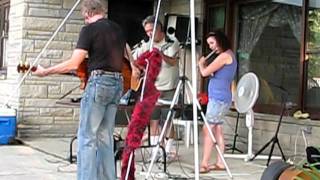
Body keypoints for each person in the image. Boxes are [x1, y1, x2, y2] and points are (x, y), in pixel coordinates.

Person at [32, 0, 133, 179]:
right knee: (105, 137)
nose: (84, 21)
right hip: (117, 84)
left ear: (87, 14)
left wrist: (45, 72)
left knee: (87, 138)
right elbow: (128, 55)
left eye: (84, 18)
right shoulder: (118, 29)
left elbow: (74, 63)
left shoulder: (89, 29)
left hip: (99, 83)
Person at [132, 15, 180, 159]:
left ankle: (169, 150)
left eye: (151, 30)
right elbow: (135, 59)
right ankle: (155, 151)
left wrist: (160, 55)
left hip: (169, 87)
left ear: (159, 29)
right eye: (146, 31)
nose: (149, 34)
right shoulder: (146, 43)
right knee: (153, 119)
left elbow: (173, 62)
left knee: (168, 120)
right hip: (153, 87)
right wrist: (139, 69)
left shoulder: (172, 41)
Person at [198, 30, 237, 173]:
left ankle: (204, 163)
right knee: (218, 129)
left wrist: (201, 64)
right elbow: (217, 73)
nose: (211, 47)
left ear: (220, 41)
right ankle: (220, 162)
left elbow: (204, 73)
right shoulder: (227, 55)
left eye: (212, 43)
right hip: (220, 98)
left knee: (208, 129)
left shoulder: (224, 56)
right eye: (209, 44)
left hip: (219, 99)